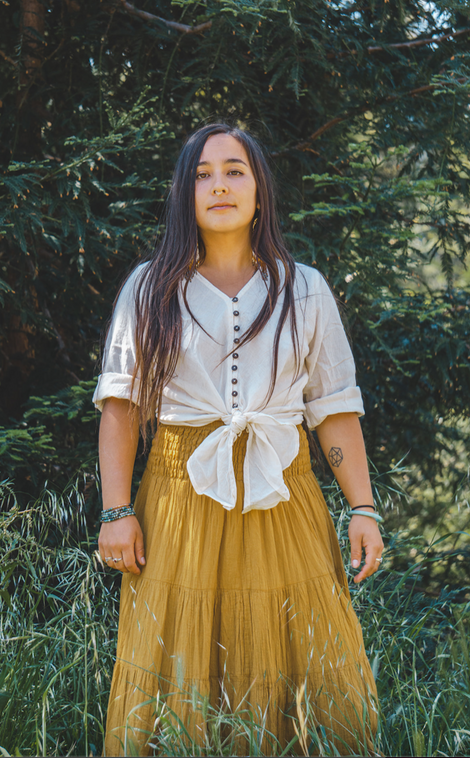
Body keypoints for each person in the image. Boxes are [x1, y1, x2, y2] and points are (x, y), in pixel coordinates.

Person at [93, 123, 384, 756]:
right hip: (177, 502)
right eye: (202, 174)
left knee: (296, 658)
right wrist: (117, 512)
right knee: (179, 665)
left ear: (260, 190)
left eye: (235, 170)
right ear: (184, 193)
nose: (219, 184)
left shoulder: (304, 288)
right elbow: (120, 404)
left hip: (284, 500)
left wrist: (362, 507)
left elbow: (333, 410)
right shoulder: (149, 289)